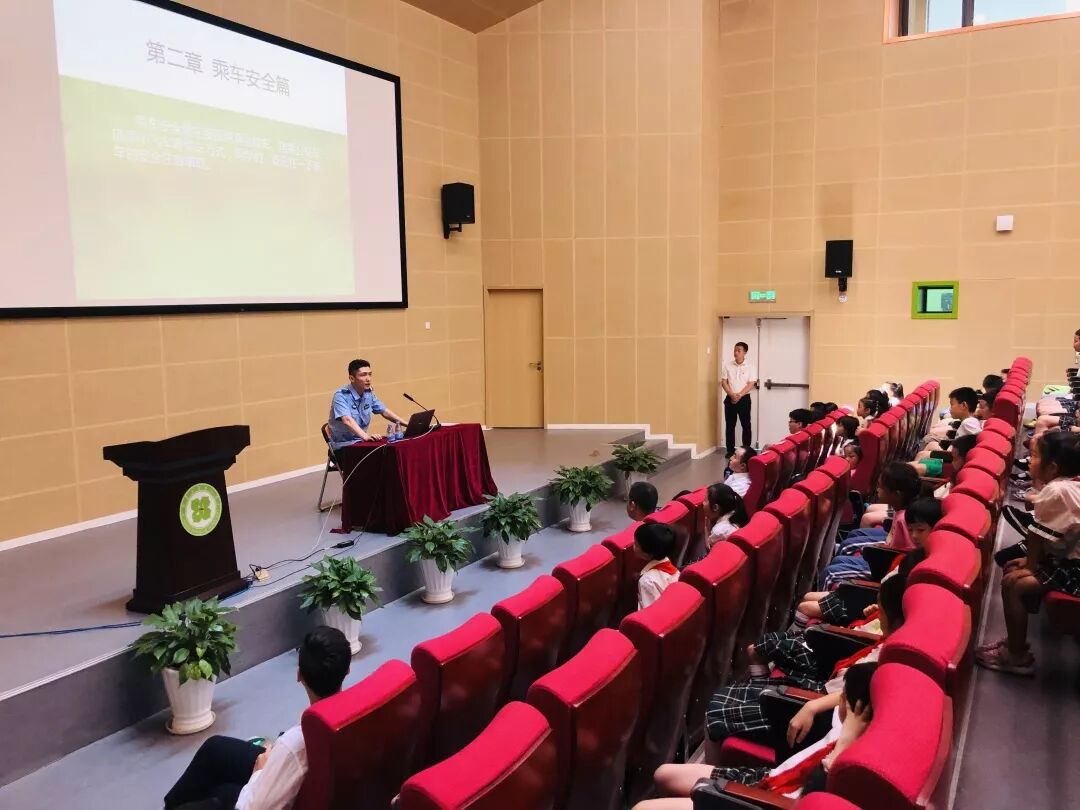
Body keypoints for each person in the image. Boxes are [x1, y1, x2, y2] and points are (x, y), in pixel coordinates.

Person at [701, 573, 904, 750]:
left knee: (717, 706)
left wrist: (814, 706)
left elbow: (853, 691)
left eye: (881, 611)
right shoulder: (897, 643)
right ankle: (761, 686)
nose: (878, 614)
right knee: (758, 652)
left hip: (821, 702)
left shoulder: (895, 657)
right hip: (829, 682)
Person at [635, 662, 879, 808]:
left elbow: (810, 799)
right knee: (663, 774)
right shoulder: (858, 723)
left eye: (842, 697)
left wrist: (843, 744)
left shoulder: (851, 762)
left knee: (643, 808)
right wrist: (814, 706)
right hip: (771, 779)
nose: (838, 701)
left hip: (773, 800)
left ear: (856, 709)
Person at [164, 627, 352, 810]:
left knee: (224, 792)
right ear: (348, 670)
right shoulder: (359, 712)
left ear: (299, 676)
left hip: (294, 789)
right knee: (215, 750)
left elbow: (252, 807)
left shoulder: (295, 744)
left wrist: (259, 771)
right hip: (322, 777)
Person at [977, 431, 1080, 676]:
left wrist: (1031, 567)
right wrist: (1029, 562)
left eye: (1034, 456)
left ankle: (1016, 656)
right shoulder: (1068, 486)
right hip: (1065, 560)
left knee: (1014, 585)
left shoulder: (1057, 491)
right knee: (1013, 569)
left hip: (1074, 570)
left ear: (1052, 468)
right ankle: (1015, 642)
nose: (1029, 460)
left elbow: (1036, 534)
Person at [793, 498, 940, 630]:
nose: (914, 536)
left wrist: (877, 608)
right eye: (910, 530)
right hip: (872, 599)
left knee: (804, 607)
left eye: (920, 530)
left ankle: (799, 639)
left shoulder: (923, 564)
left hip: (866, 600)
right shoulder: (914, 556)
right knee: (807, 597)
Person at [821, 462, 921, 587]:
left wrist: (876, 550)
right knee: (841, 555)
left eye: (881, 487)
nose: (877, 490)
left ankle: (830, 597)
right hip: (884, 555)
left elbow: (904, 554)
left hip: (885, 567)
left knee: (830, 573)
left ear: (896, 494)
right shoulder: (900, 509)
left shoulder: (903, 520)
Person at [327, 359, 407, 450]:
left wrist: (408, 425)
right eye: (363, 375)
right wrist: (366, 437)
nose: (368, 379)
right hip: (343, 445)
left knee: (392, 447)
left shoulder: (368, 393)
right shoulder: (341, 395)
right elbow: (347, 420)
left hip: (361, 442)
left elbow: (384, 411)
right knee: (384, 452)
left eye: (370, 374)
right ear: (352, 378)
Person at [722, 342, 758, 457]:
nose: (736, 352)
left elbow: (751, 383)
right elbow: (724, 382)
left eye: (739, 350)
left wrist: (740, 395)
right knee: (730, 425)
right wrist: (731, 394)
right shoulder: (727, 365)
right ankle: (730, 450)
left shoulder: (751, 367)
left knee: (746, 425)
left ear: (745, 352)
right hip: (730, 398)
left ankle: (746, 450)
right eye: (735, 350)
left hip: (744, 399)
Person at [635, 523, 680, 609]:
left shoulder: (647, 581)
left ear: (647, 553)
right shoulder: (668, 563)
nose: (633, 546)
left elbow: (651, 612)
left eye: (636, 544)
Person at [706, 482, 749, 548]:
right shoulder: (736, 511)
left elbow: (708, 548)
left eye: (705, 500)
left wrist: (705, 528)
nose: (703, 503)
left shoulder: (718, 532)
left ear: (715, 507)